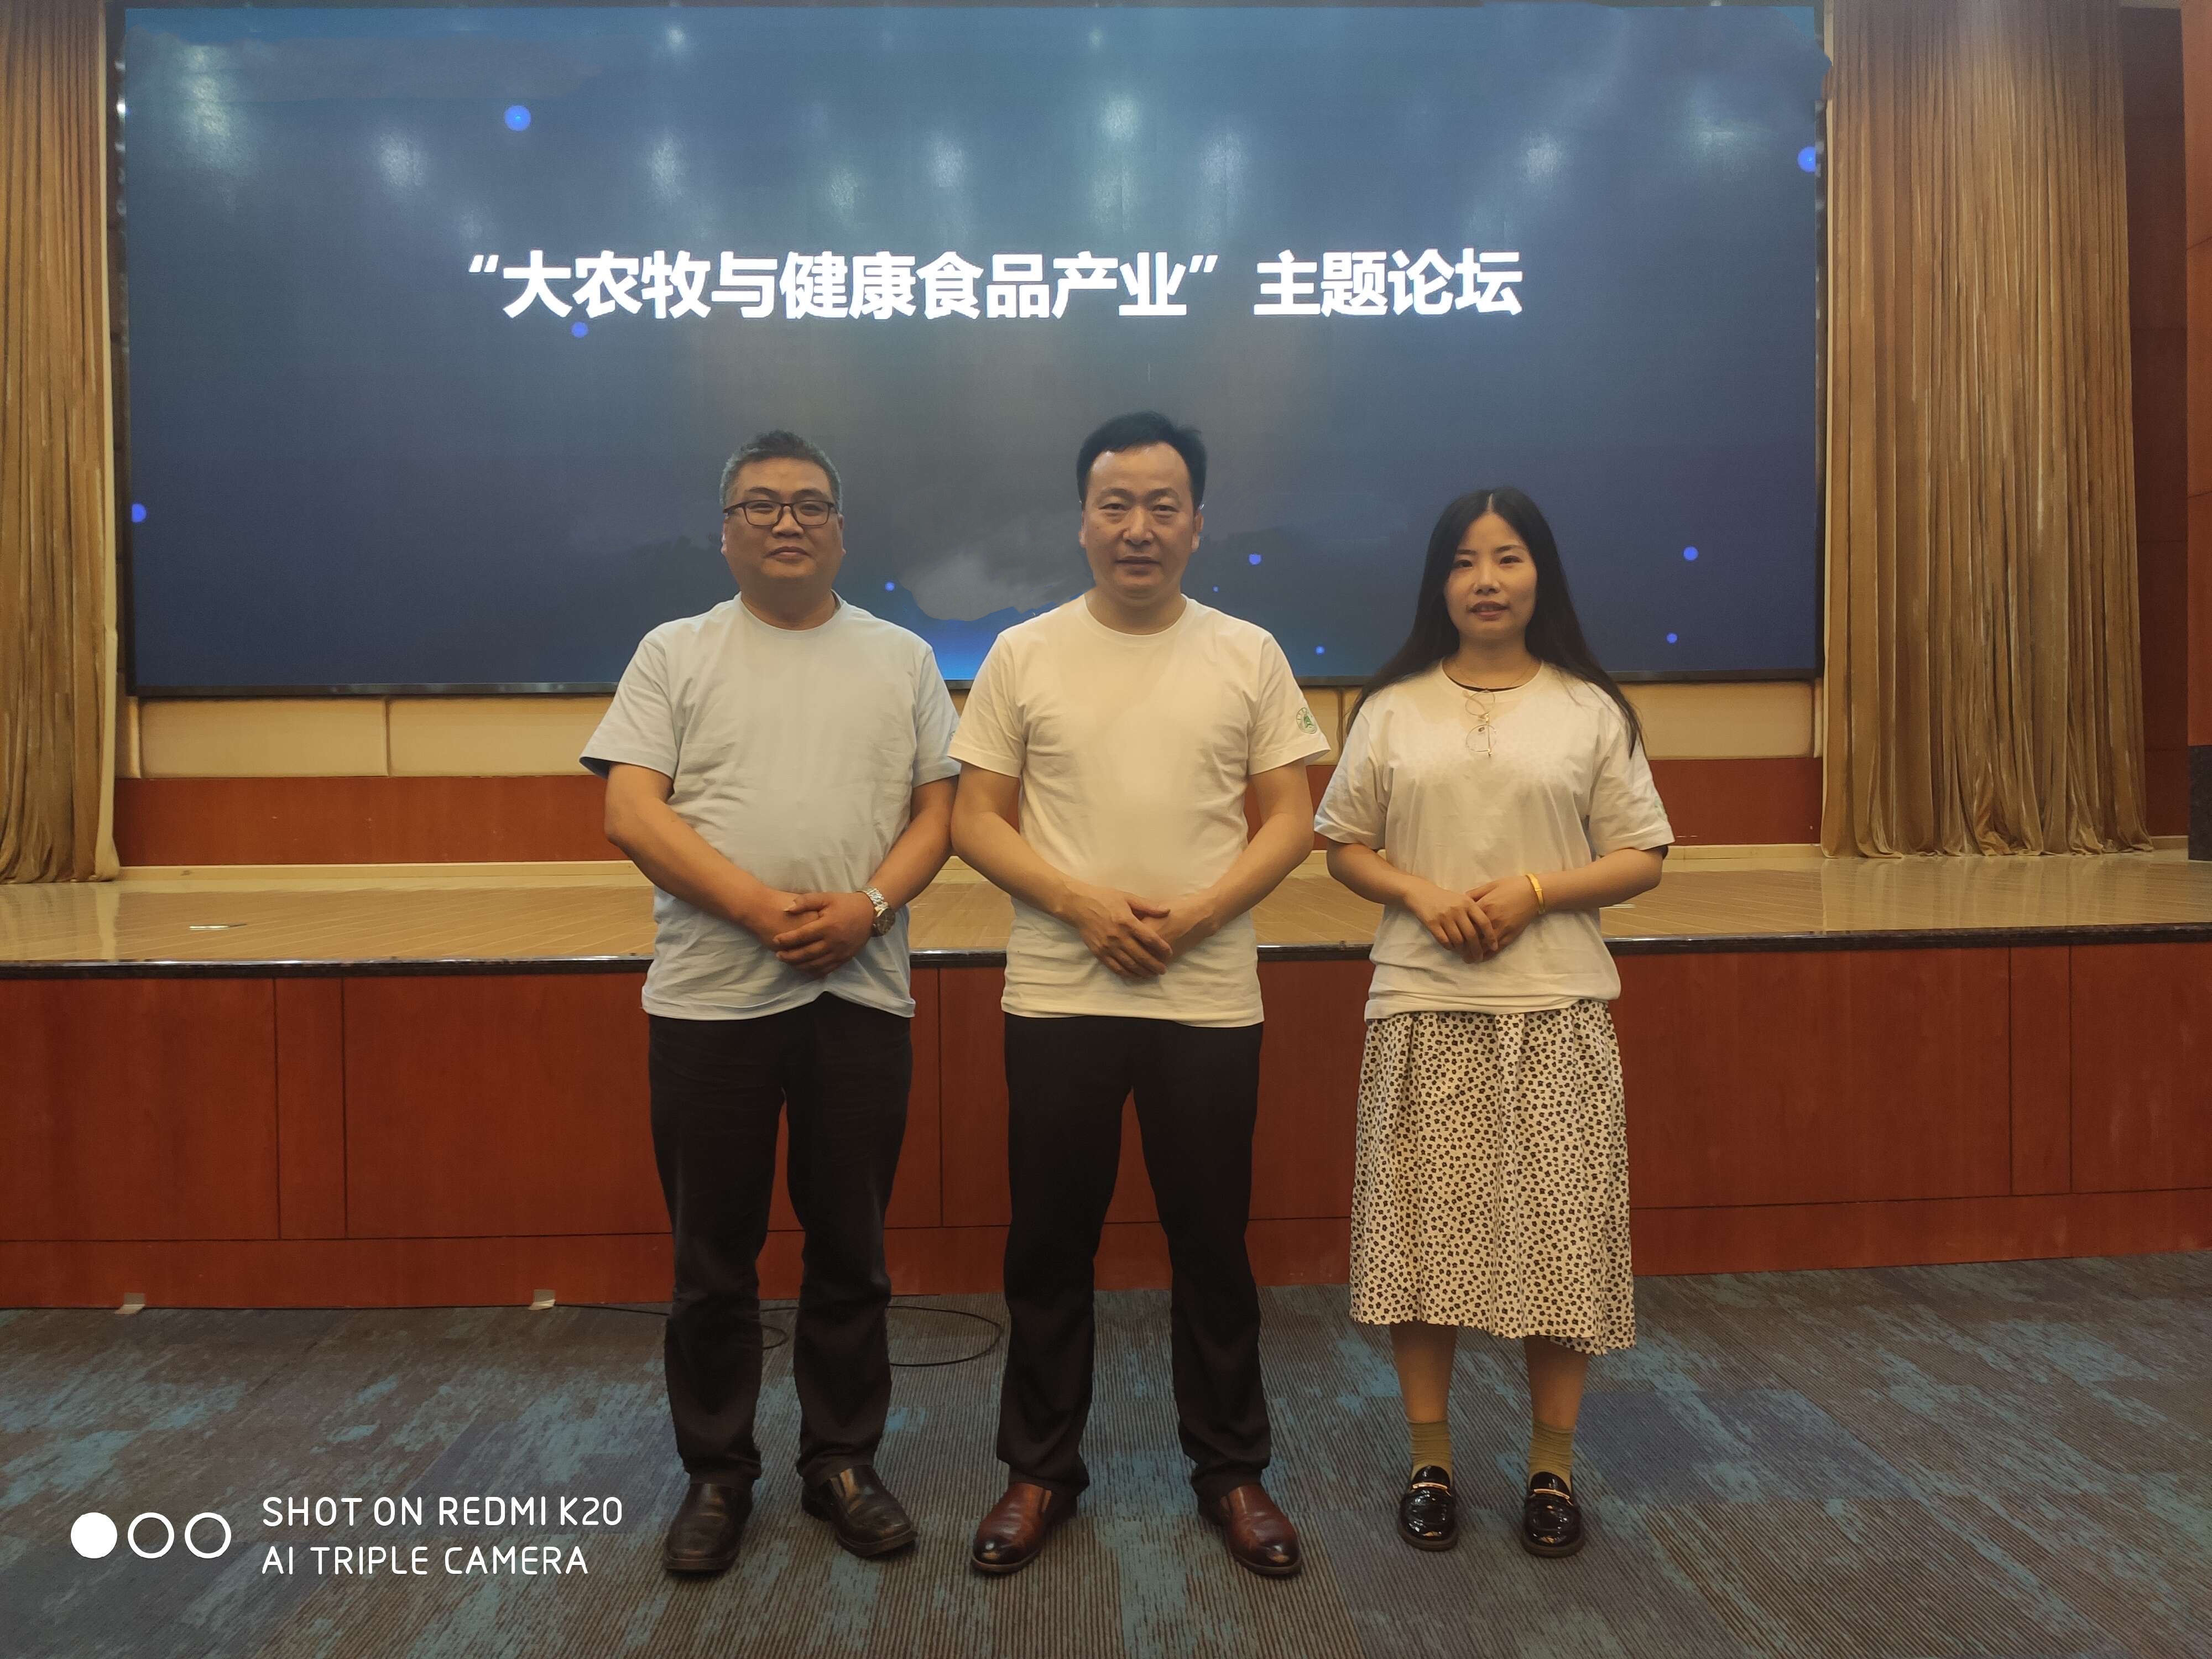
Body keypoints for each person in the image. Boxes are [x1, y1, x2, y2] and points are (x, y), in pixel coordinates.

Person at [948, 411, 1330, 1578]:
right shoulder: (1023, 653)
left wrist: (1201, 914)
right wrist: (1083, 906)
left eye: (1163, 506)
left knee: (1211, 1243)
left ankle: (1232, 1472)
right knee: (1047, 1244)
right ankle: (1037, 1472)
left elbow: (1291, 816)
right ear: (1081, 521)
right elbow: (974, 819)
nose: (1137, 527)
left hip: (1204, 997)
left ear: (1197, 524)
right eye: (1115, 504)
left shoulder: (1247, 652)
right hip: (1060, 991)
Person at [582, 430, 959, 1574]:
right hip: (709, 1002)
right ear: (726, 531)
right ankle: (717, 1474)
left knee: (851, 1251)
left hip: (860, 993)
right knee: (712, 1259)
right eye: (760, 504)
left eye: (808, 504)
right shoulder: (674, 651)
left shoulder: (901, 656)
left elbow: (938, 813)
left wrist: (869, 907)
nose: (786, 521)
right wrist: (756, 907)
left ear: (841, 529)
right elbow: (630, 812)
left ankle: (842, 1461)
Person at [1313, 486, 1671, 1558]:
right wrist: (1418, 894)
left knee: (1558, 1252)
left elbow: (1641, 855)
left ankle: (1550, 1471)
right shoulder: (1389, 707)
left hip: (1554, 1008)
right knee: (1420, 1247)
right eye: (1464, 561)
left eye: (1507, 558)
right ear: (1439, 582)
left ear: (1538, 575)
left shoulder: (1588, 709)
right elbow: (1343, 845)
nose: (1485, 580)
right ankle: (1429, 1461)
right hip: (1423, 1005)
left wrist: (1534, 892)